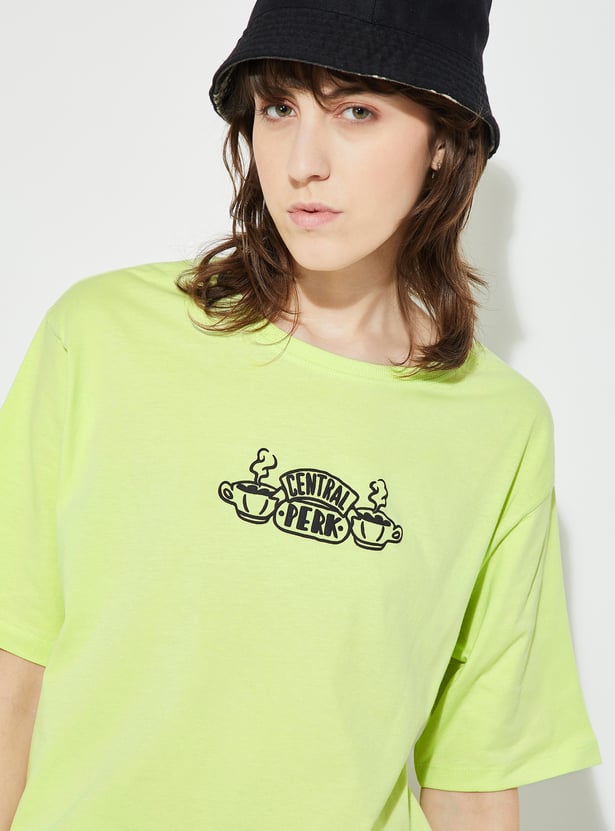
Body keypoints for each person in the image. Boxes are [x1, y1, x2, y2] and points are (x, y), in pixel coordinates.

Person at [0, 0, 602, 829]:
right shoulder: (103, 336)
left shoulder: (498, 423)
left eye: (356, 112)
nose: (302, 164)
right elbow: (14, 666)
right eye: (279, 107)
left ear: (441, 141)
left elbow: (472, 773)